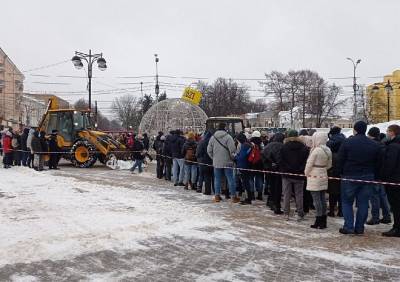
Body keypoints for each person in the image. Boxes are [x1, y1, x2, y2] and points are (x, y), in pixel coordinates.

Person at [338, 121, 381, 235]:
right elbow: (378, 162)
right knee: (363, 203)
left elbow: (340, 159)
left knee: (347, 202)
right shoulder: (374, 144)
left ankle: (348, 227)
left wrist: (340, 172)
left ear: (355, 130)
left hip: (349, 175)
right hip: (368, 176)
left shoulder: (347, 142)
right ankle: (359, 228)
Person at [279, 130, 309, 221]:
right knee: (299, 195)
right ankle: (300, 214)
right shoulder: (304, 148)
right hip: (299, 174)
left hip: (286, 174)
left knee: (286, 194)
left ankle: (286, 214)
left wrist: (284, 169)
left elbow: (281, 161)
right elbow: (305, 162)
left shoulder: (284, 147)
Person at [304, 132, 332, 229]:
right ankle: (323, 220)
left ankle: (318, 219)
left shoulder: (316, 150)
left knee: (316, 200)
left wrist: (306, 173)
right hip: (324, 174)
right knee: (322, 198)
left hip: (314, 175)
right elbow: (329, 165)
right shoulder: (328, 149)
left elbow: (309, 163)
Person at [207, 122, 239, 203]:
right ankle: (233, 196)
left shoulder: (213, 137)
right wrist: (232, 158)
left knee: (217, 179)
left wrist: (214, 158)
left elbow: (209, 150)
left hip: (216, 162)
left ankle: (217, 196)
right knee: (230, 179)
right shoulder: (228, 137)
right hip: (228, 162)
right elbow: (232, 150)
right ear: (225, 128)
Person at [366, 127, 391, 225]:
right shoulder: (382, 144)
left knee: (374, 197)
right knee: (383, 196)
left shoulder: (372, 145)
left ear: (370, 134)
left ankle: (375, 217)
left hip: (374, 174)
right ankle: (387, 216)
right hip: (382, 175)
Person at [381, 124, 400, 237]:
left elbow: (390, 164)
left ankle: (397, 228)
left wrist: (384, 177)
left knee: (396, 205)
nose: (387, 133)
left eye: (388, 131)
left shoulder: (394, 146)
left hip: (394, 180)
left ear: (393, 132)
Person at [262, 132, 285, 214]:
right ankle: (276, 205)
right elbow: (281, 159)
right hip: (278, 170)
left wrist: (268, 165)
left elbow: (263, 156)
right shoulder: (282, 147)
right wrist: (276, 165)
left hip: (269, 170)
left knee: (271, 186)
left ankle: (270, 201)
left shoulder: (268, 146)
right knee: (278, 188)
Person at [326, 126, 346, 217]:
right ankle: (341, 211)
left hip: (333, 168)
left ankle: (331, 211)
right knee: (342, 192)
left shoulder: (330, 142)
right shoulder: (344, 139)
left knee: (332, 192)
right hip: (343, 169)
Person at [235, 132, 253, 205]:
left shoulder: (244, 145)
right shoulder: (248, 144)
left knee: (245, 183)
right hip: (248, 165)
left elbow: (242, 157)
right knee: (246, 182)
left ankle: (248, 198)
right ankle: (248, 197)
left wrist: (236, 156)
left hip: (244, 166)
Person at [249, 131, 264, 200]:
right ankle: (260, 194)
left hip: (251, 163)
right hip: (260, 164)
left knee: (251, 179)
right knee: (259, 178)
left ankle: (252, 194)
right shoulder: (261, 144)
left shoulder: (250, 143)